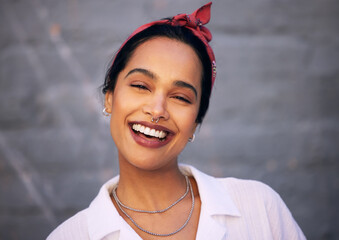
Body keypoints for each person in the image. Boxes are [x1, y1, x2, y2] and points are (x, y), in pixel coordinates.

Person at [47, 2, 306, 240]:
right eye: (140, 85)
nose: (157, 110)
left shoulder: (259, 208)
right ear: (110, 99)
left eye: (180, 97)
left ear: (195, 123)